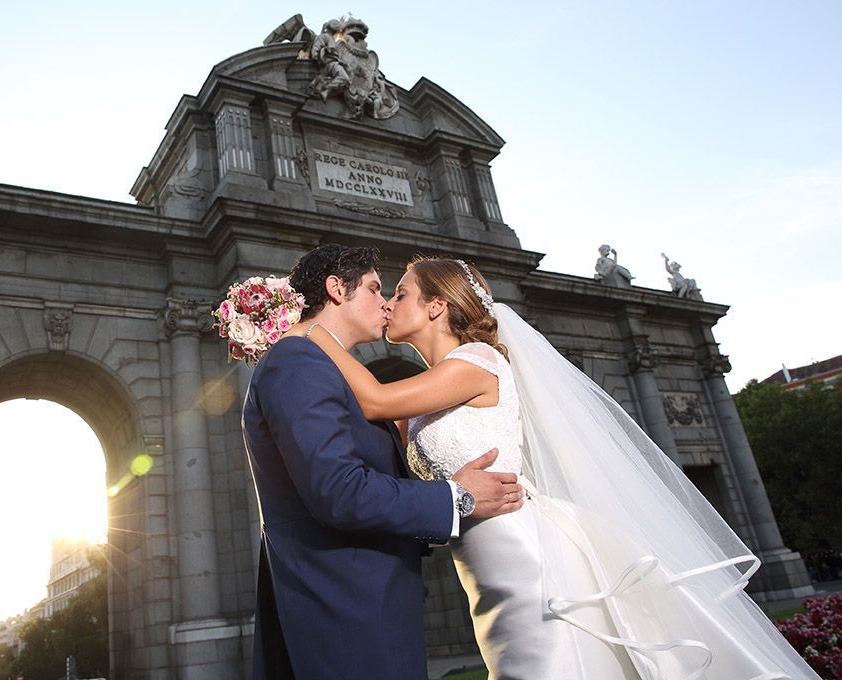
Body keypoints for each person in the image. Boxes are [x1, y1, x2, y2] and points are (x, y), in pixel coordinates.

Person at [303, 257, 818, 680]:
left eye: (403, 292)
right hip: (481, 559)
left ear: (437, 306)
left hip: (522, 552)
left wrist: (311, 329)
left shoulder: (478, 360)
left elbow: (371, 398)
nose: (390, 303)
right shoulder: (423, 398)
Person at [241, 245, 525, 680]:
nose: (386, 303)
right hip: (346, 609)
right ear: (337, 289)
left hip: (377, 601)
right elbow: (340, 491)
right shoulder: (298, 360)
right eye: (376, 289)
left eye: (395, 293)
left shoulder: (323, 365)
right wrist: (458, 497)